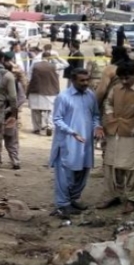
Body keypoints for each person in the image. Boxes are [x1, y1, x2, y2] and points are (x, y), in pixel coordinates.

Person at [95, 61, 134, 214]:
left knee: (133, 167)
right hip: (115, 132)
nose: (124, 81)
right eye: (121, 78)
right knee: (111, 165)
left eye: (127, 78)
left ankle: (133, 199)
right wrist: (110, 114)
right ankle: (113, 195)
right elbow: (108, 103)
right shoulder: (116, 89)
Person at [49, 68, 104, 220]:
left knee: (83, 172)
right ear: (73, 80)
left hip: (86, 142)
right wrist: (72, 132)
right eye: (82, 81)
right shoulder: (63, 97)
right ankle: (63, 204)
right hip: (68, 142)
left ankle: (73, 200)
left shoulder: (90, 95)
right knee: (65, 175)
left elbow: (95, 116)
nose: (86, 83)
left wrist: (97, 127)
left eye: (87, 80)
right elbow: (57, 119)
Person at [0, 52, 27, 169]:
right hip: (10, 115)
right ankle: (14, 160)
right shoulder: (15, 83)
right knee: (11, 140)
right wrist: (11, 108)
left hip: (1, 115)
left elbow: (21, 98)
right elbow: (21, 98)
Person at [27, 48, 62, 135]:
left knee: (35, 111)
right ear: (49, 58)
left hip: (35, 90)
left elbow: (29, 77)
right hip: (50, 92)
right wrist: (57, 58)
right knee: (50, 111)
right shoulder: (54, 66)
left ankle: (37, 128)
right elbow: (66, 64)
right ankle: (49, 126)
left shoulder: (35, 65)